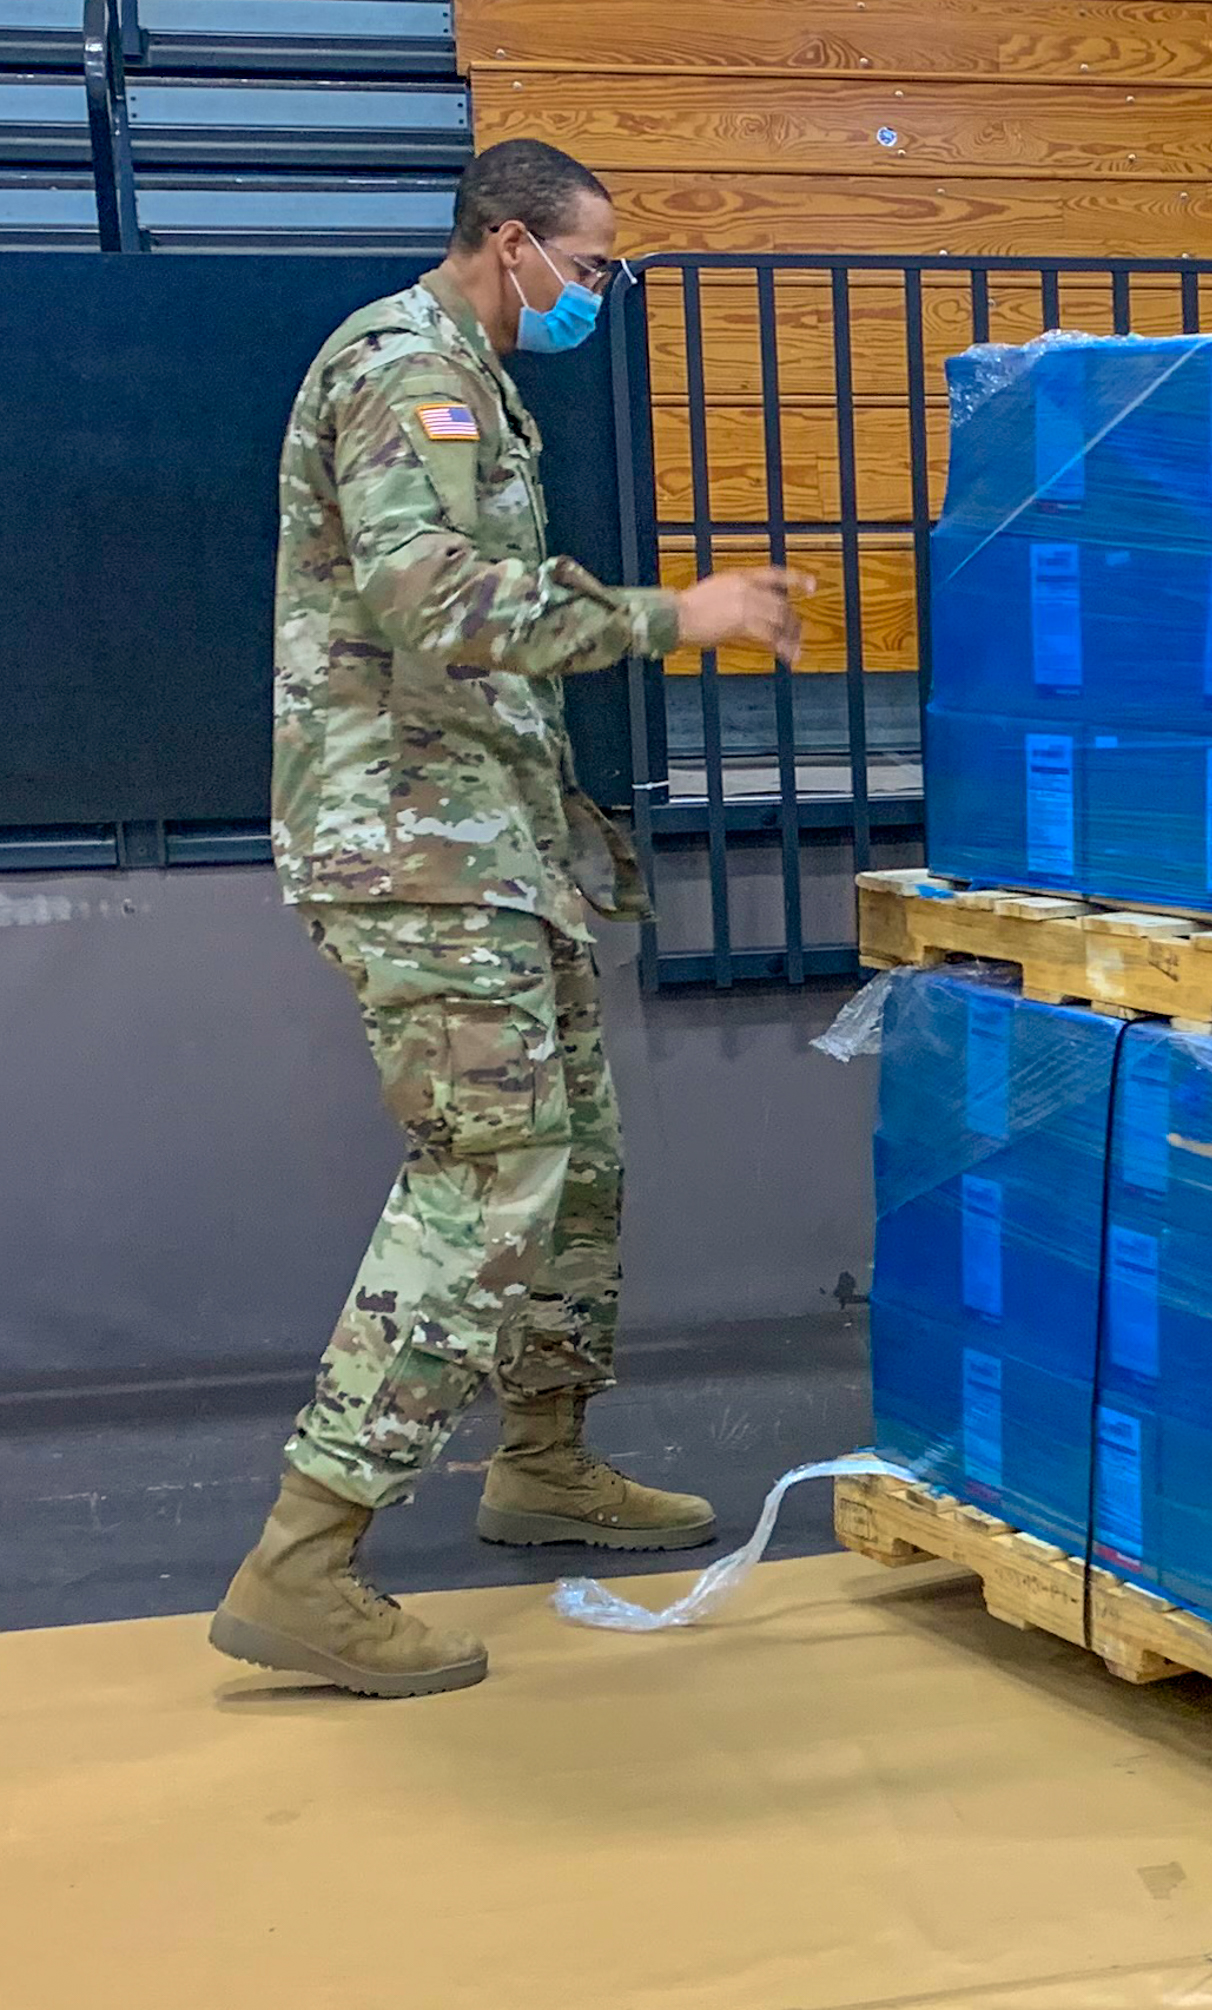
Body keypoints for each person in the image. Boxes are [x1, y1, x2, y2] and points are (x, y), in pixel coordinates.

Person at [211, 139, 813, 1699]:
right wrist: (670, 615)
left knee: (577, 1163)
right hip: (412, 845)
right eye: (593, 265)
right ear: (510, 241)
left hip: (489, 846)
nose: (600, 292)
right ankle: (305, 1558)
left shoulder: (474, 375)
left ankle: (540, 1460)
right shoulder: (407, 371)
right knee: (492, 1168)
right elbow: (441, 608)